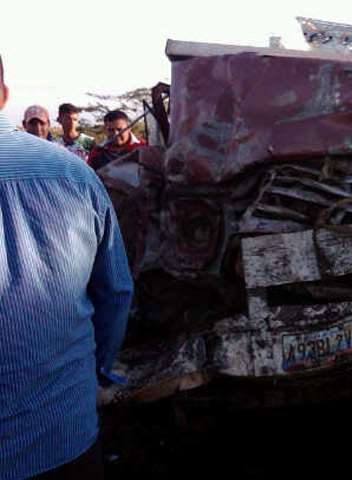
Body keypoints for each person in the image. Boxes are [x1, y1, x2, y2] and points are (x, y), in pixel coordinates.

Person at [0, 55, 133, 479]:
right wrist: (96, 370)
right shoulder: (74, 173)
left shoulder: (82, 164)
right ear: (5, 94)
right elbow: (115, 293)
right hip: (63, 436)